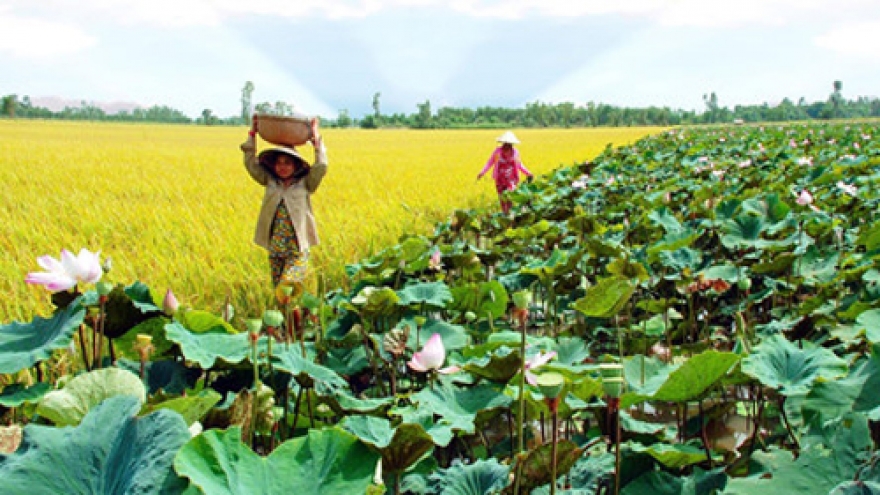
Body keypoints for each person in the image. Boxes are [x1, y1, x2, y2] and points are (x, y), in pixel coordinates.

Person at [241, 116, 327, 293]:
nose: (282, 167)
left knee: (288, 285)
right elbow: (250, 163)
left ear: (296, 165)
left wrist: (316, 139)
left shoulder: (306, 183)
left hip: (298, 248)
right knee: (280, 291)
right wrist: (252, 133)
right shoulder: (270, 181)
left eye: (287, 163)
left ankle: (295, 308)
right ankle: (291, 312)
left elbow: (321, 166)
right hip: (276, 247)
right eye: (278, 163)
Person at [476, 131, 533, 215]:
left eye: (509, 143)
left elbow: (519, 165)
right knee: (502, 199)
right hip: (500, 179)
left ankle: (510, 215)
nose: (507, 145)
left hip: (511, 179)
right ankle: (505, 215)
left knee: (510, 197)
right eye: (506, 143)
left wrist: (528, 173)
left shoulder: (515, 153)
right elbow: (490, 162)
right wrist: (482, 172)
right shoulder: (497, 152)